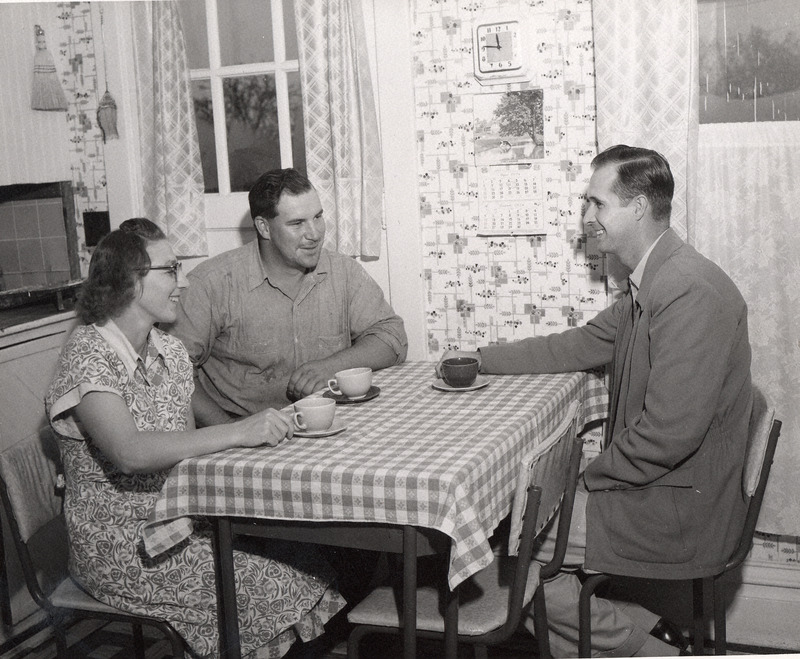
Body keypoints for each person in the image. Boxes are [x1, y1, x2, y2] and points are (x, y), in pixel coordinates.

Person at [440, 145, 752, 657]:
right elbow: (575, 345)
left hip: (684, 508)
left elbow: (667, 435)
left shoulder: (687, 291)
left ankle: (648, 650)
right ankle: (644, 632)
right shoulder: (650, 282)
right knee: (522, 523)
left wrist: (584, 481)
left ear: (638, 208)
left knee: (517, 548)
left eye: (596, 204)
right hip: (667, 489)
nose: (586, 217)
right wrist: (479, 356)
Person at [46, 218, 346, 658]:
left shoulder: (166, 350)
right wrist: (239, 431)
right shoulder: (87, 356)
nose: (182, 283)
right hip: (122, 545)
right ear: (130, 281)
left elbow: (186, 445)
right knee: (278, 583)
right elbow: (129, 453)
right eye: (170, 271)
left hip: (183, 522)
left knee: (311, 563)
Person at [164, 168, 407, 426]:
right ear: (264, 228)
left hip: (329, 426)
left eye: (318, 217)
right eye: (297, 223)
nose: (314, 234)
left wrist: (331, 367)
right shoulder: (210, 283)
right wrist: (231, 432)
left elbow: (392, 337)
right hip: (241, 438)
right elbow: (170, 370)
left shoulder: (343, 272)